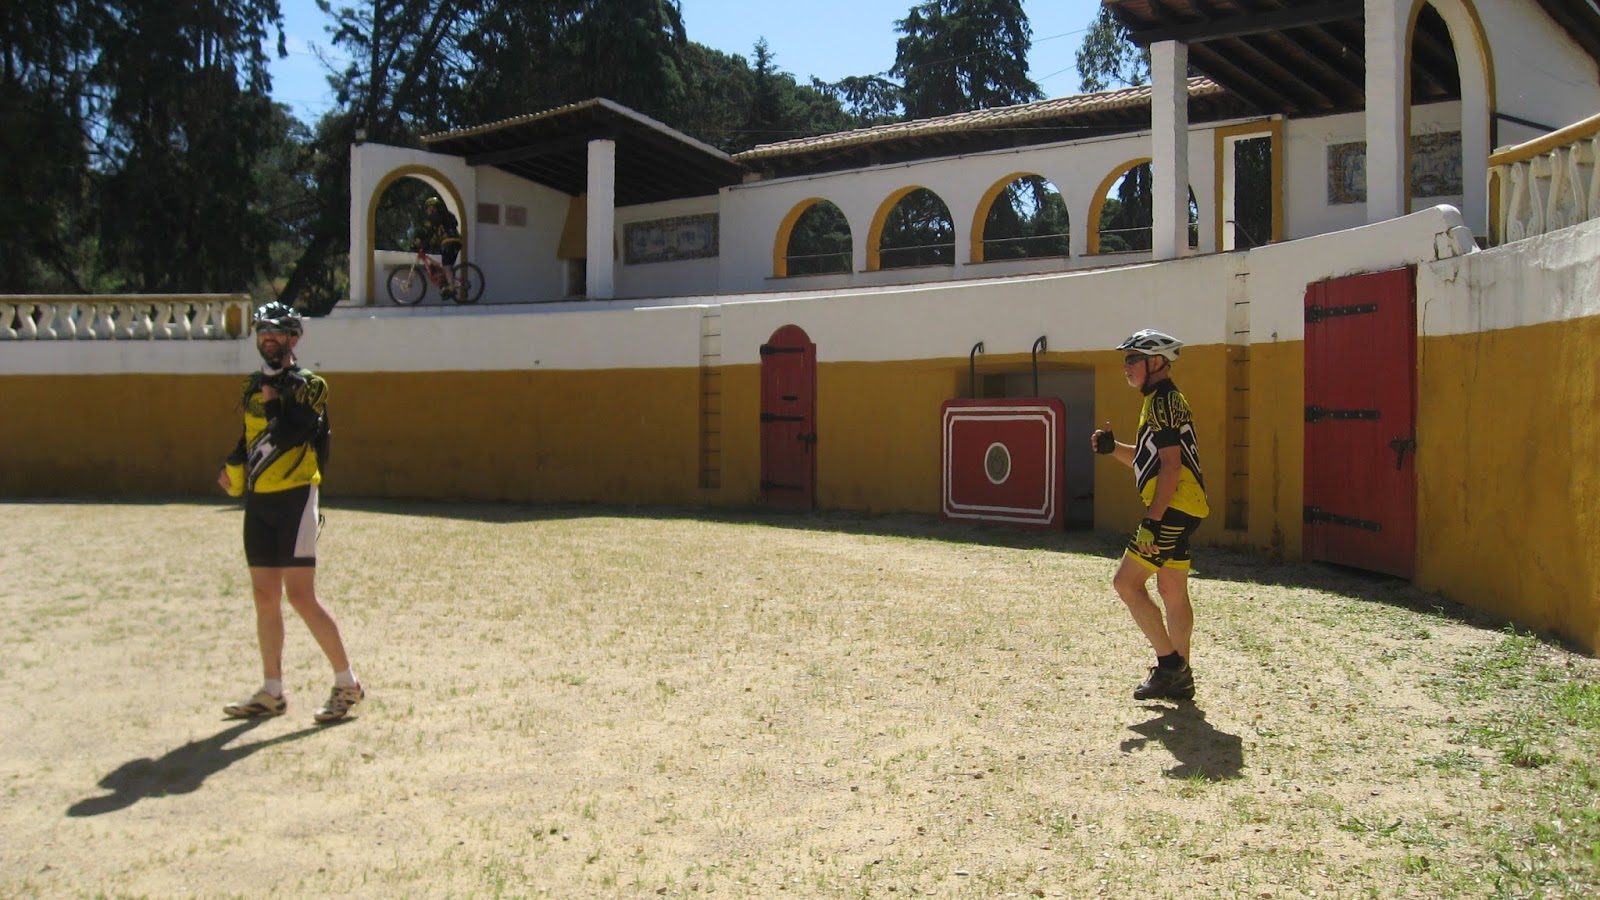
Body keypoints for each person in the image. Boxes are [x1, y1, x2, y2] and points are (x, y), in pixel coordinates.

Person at [217, 302, 364, 723]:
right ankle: (272, 691)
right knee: (264, 596)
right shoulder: (251, 385)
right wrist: (232, 468)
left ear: (294, 338)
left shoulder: (311, 385)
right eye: (263, 331)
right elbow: (249, 437)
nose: (268, 337)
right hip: (259, 499)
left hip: (297, 496)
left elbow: (287, 433)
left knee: (300, 596)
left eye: (277, 331)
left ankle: (347, 684)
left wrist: (272, 394)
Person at [1090, 329, 1210, 701]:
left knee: (1125, 584)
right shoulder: (1161, 400)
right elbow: (1149, 460)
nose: (1125, 366)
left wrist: (1153, 518)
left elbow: (1171, 466)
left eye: (1132, 359)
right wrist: (1113, 448)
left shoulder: (1163, 402)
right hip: (1185, 506)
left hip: (1172, 508)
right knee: (1172, 588)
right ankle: (1182, 676)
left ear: (1155, 362)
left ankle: (1170, 666)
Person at [415, 196, 463, 298]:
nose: (427, 211)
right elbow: (436, 236)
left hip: (448, 242)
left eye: (428, 208)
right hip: (457, 241)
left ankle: (451, 288)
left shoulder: (433, 217)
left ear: (432, 207)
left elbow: (425, 231)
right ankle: (446, 285)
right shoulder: (447, 215)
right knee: (448, 266)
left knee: (446, 266)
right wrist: (429, 244)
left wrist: (418, 240)